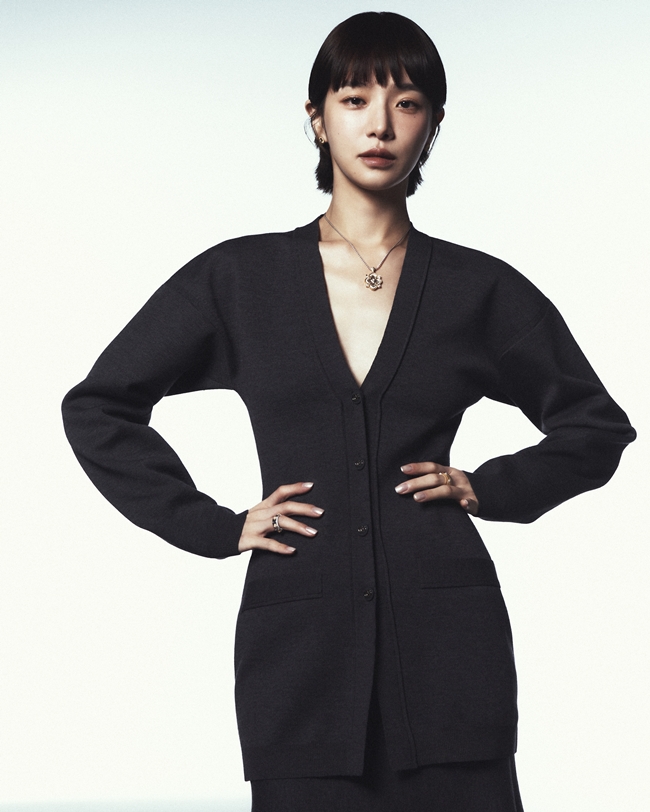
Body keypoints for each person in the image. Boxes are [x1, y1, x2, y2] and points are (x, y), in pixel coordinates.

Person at [61, 11, 635, 812]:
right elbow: (99, 407)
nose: (380, 125)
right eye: (355, 99)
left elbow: (596, 426)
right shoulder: (240, 280)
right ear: (316, 118)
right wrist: (213, 524)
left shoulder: (478, 289)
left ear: (434, 123)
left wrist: (488, 485)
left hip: (450, 659)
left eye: (407, 103)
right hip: (300, 663)